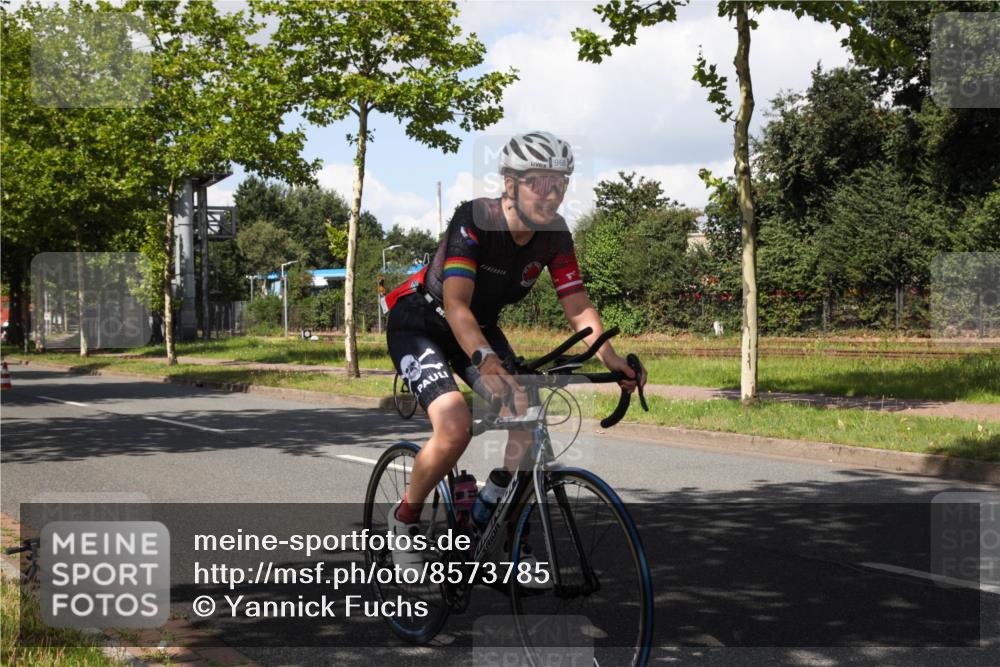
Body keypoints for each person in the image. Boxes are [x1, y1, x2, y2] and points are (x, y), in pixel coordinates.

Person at [383, 131, 646, 572]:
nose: (550, 193)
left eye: (559, 183)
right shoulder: (475, 218)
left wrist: (610, 358)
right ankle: (404, 519)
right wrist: (486, 362)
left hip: (478, 328)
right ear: (510, 184)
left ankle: (492, 521)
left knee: (527, 413)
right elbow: (456, 304)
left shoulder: (555, 236)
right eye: (537, 182)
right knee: (454, 425)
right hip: (423, 321)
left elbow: (577, 303)